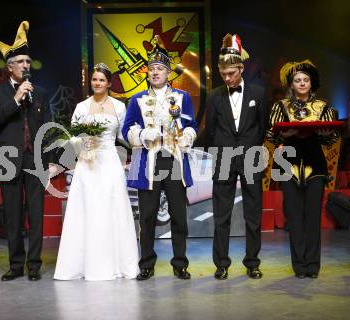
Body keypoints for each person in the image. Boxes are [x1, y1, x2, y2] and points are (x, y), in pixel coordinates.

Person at [54, 63, 139, 281]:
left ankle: (116, 263)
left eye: (102, 80)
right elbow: (73, 135)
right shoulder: (82, 107)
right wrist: (81, 141)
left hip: (110, 161)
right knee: (88, 208)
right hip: (87, 163)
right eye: (94, 80)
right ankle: (84, 264)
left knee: (112, 208)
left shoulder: (120, 107)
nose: (97, 83)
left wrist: (138, 138)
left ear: (109, 83)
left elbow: (123, 136)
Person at [122, 36, 197, 280]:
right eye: (152, 69)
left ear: (168, 74)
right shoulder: (137, 99)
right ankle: (147, 264)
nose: (155, 73)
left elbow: (191, 125)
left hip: (174, 160)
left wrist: (187, 135)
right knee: (147, 216)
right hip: (148, 161)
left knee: (178, 215)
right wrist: (143, 134)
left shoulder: (183, 97)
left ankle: (180, 263)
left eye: (160, 69)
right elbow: (126, 130)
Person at [0, 21, 52, 281]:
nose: (26, 65)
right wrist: (16, 99)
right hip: (8, 158)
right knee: (13, 215)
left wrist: (49, 161)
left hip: (35, 159)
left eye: (28, 61)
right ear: (9, 66)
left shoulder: (41, 93)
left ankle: (33, 266)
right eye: (21, 61)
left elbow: (47, 128)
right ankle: (15, 266)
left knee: (36, 214)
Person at [203, 33, 268, 280]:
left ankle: (252, 262)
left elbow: (263, 127)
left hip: (251, 154)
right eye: (223, 73)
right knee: (221, 214)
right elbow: (210, 131)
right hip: (223, 155)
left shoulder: (259, 94)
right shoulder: (213, 96)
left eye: (231, 73)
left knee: (253, 213)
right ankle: (221, 264)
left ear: (241, 68)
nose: (227, 77)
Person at [268, 60, 338, 279]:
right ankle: (299, 266)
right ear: (291, 84)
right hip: (288, 164)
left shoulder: (323, 108)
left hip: (315, 164)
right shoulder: (280, 107)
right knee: (295, 217)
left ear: (311, 83)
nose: (302, 83)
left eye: (305, 80)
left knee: (312, 216)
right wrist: (283, 136)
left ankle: (313, 266)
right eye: (297, 80)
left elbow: (331, 140)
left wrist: (325, 134)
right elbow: (271, 135)